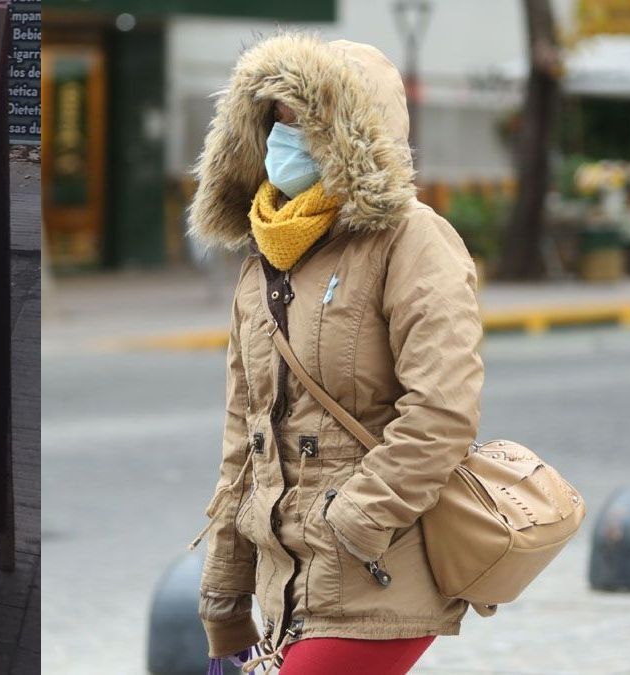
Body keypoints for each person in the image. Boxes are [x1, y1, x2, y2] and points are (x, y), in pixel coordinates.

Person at [186, 33, 484, 674]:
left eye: (304, 119)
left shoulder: (412, 240)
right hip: (285, 586)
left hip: (376, 572)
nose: (283, 136)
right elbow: (246, 440)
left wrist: (353, 523)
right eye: (276, 119)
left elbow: (443, 413)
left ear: (352, 132)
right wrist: (224, 598)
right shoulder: (263, 257)